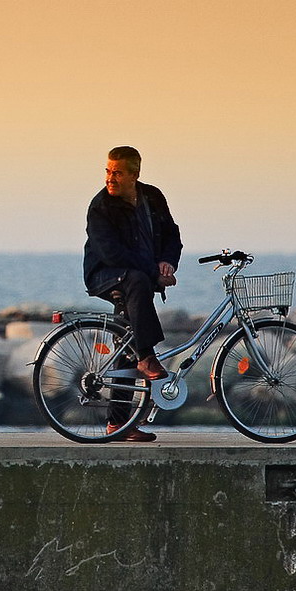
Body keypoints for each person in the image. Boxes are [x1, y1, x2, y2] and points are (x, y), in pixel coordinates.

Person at [82, 146, 183, 442]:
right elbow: (111, 253)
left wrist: (167, 262)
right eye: (107, 171)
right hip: (106, 274)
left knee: (129, 338)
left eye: (117, 173)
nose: (109, 178)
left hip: (140, 276)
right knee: (137, 282)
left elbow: (172, 234)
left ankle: (118, 424)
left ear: (134, 175)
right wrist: (153, 271)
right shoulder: (100, 207)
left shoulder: (152, 197)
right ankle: (147, 357)